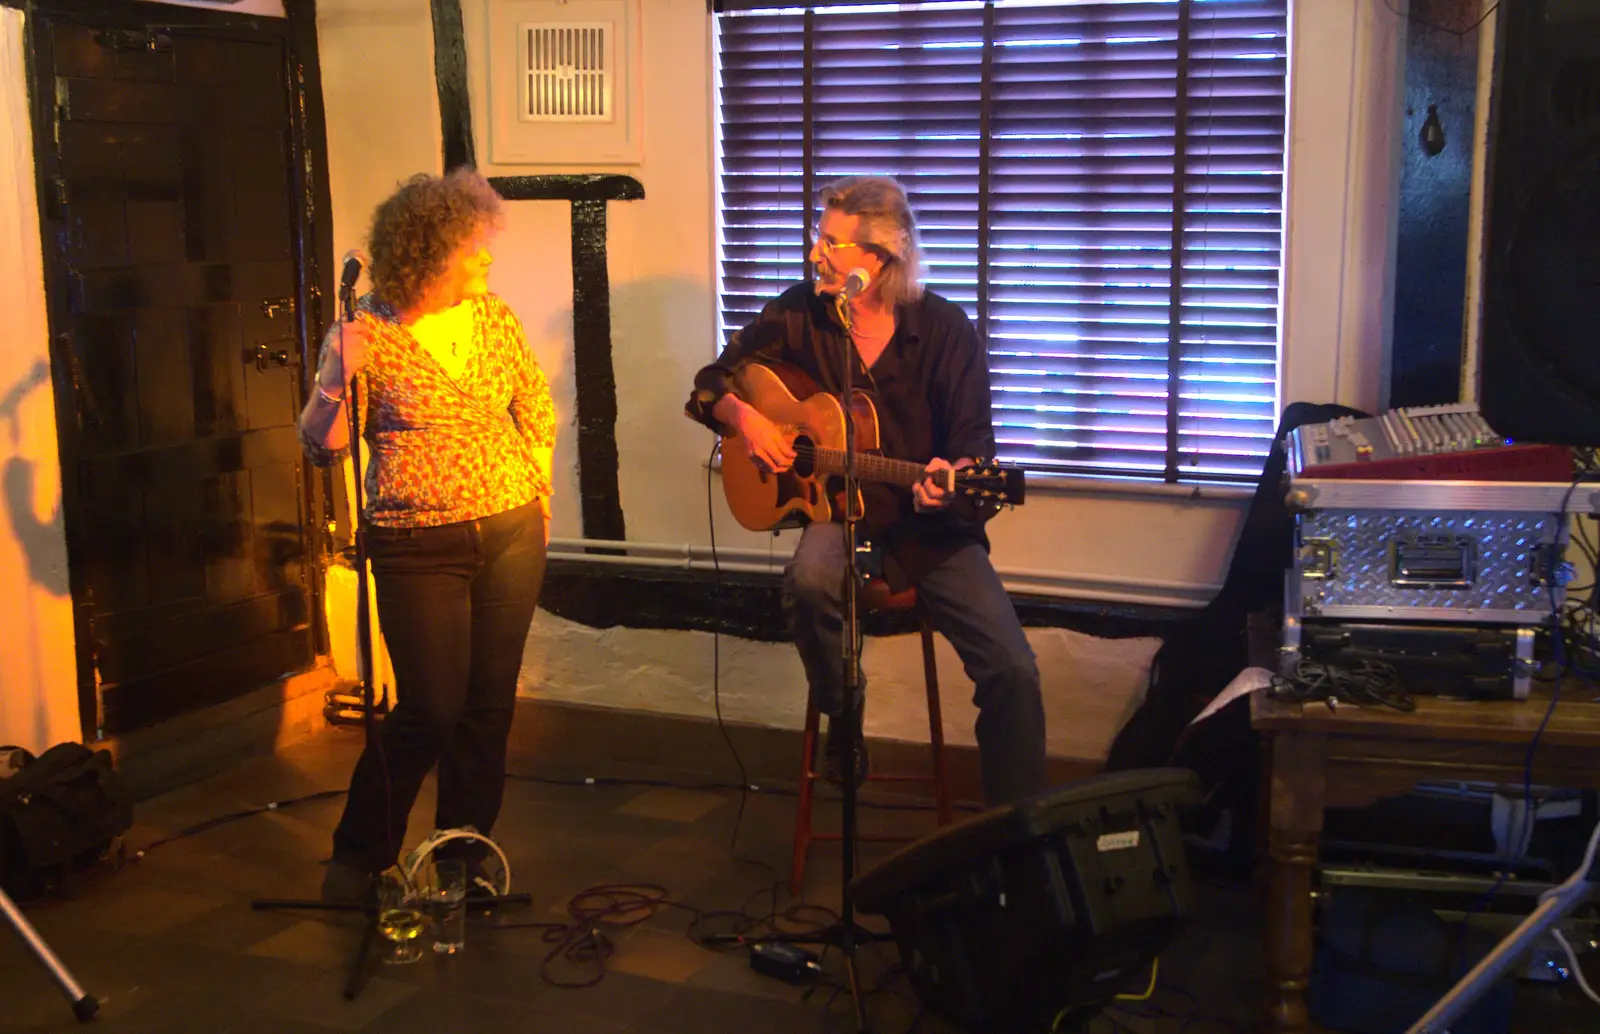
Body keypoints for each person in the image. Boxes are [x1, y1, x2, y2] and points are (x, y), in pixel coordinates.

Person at [685, 175, 1047, 807]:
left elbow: (973, 446)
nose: (814, 254)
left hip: (927, 529)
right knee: (807, 581)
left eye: (830, 242)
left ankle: (1018, 832)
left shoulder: (945, 332)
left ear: (879, 259)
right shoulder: (800, 312)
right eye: (816, 238)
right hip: (837, 516)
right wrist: (749, 420)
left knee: (1012, 668)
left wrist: (950, 479)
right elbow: (712, 382)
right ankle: (844, 709)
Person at [298, 169, 556, 900]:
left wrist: (541, 494)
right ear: (431, 251)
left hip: (510, 532)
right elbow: (324, 447)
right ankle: (358, 852)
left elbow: (534, 407)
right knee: (429, 708)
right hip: (416, 542)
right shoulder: (366, 333)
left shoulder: (493, 317)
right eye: (475, 248)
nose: (487, 260)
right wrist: (332, 382)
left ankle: (462, 857)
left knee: (487, 708)